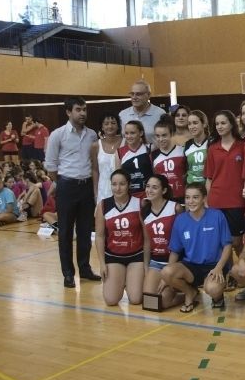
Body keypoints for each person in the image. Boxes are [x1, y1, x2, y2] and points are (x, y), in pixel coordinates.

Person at [44, 96, 100, 288]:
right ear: (68, 112)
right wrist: (58, 183)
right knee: (66, 232)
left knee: (85, 231)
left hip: (86, 187)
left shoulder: (92, 135)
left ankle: (85, 268)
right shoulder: (57, 135)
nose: (83, 113)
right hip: (66, 186)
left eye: (84, 109)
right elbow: (51, 165)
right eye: (78, 109)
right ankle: (68, 273)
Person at [161, 183, 232, 312]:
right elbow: (175, 251)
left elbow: (227, 246)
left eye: (195, 197)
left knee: (212, 289)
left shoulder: (217, 216)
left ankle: (218, 298)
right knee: (166, 272)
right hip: (191, 266)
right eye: (187, 198)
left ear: (204, 198)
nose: (191, 201)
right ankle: (190, 293)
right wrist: (166, 279)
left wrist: (219, 268)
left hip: (214, 265)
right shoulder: (180, 220)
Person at [94, 169, 145, 306]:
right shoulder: (103, 205)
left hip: (136, 255)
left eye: (122, 184)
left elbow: (146, 236)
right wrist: (102, 264)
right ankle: (121, 280)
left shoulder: (139, 203)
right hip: (114, 256)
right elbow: (99, 236)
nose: (118, 188)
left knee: (135, 299)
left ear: (128, 185)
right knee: (111, 300)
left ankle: (130, 280)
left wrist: (146, 263)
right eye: (114, 184)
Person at [205, 110, 245, 257]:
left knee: (236, 241)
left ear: (231, 124)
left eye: (223, 123)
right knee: (221, 242)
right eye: (217, 124)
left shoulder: (243, 146)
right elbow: (209, 178)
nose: (220, 126)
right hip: (216, 200)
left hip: (237, 201)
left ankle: (242, 272)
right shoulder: (212, 149)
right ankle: (227, 275)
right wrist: (207, 200)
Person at [142, 174, 183, 310]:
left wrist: (168, 274)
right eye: (148, 186)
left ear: (164, 190)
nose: (150, 190)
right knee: (149, 302)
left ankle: (189, 293)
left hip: (174, 262)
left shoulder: (175, 208)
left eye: (155, 187)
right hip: (156, 262)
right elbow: (147, 242)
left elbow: (181, 242)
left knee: (163, 302)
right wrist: (146, 267)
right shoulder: (144, 212)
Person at [151, 114, 187, 202]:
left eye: (164, 135)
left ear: (172, 134)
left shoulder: (183, 151)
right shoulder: (153, 155)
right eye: (157, 136)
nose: (161, 139)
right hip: (163, 199)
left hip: (183, 197)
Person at [118, 79, 166, 144]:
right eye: (132, 94)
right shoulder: (122, 115)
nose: (134, 97)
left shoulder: (160, 114)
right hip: (129, 154)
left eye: (138, 94)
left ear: (148, 95)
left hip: (153, 153)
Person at [115, 120, 153, 199]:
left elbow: (155, 172)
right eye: (126, 133)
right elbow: (118, 177)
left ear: (141, 133)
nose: (129, 136)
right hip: (129, 196)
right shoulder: (119, 152)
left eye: (132, 133)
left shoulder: (149, 148)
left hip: (148, 194)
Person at [91, 113, 122, 202]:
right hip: (103, 191)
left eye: (113, 123)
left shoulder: (125, 143)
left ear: (118, 126)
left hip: (122, 189)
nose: (110, 126)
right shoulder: (96, 145)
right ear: (102, 127)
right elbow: (95, 170)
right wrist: (96, 193)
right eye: (106, 123)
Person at [184, 110, 210, 188]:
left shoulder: (212, 142)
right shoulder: (188, 144)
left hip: (207, 187)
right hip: (191, 187)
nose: (192, 127)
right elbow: (186, 168)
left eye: (195, 123)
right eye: (189, 124)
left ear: (204, 124)